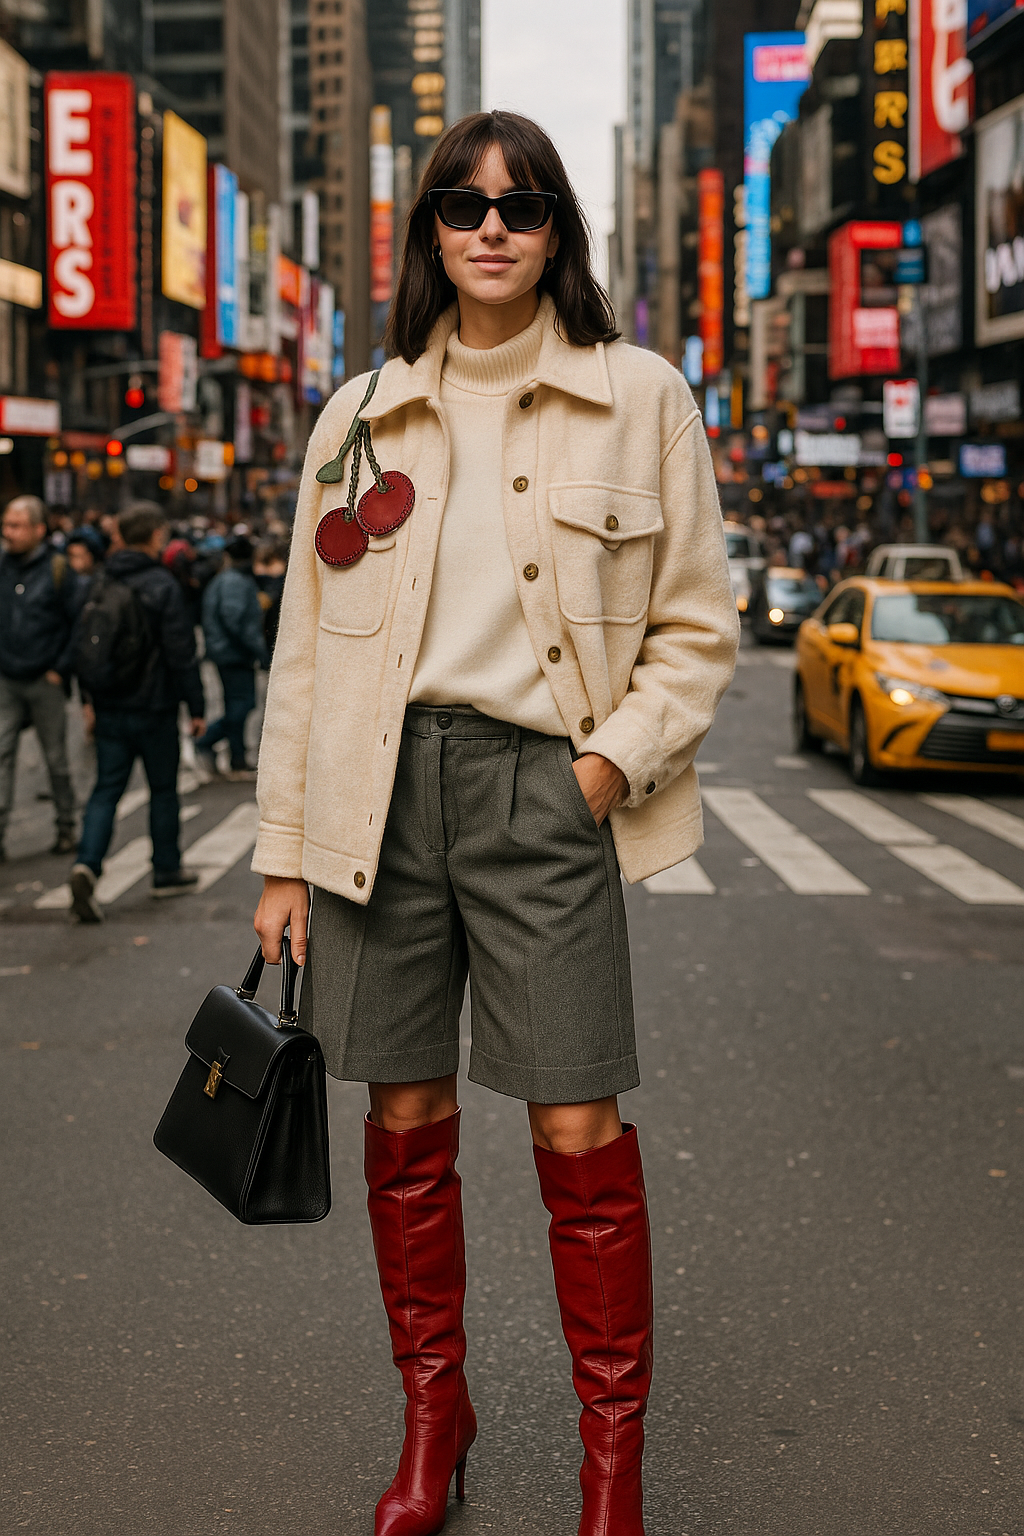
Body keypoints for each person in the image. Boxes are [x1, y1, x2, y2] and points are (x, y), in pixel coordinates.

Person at [252, 111, 738, 1536]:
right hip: (375, 798)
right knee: (403, 1118)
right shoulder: (359, 414)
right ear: (427, 230)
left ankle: (610, 1463)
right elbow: (305, 647)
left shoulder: (639, 394)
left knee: (578, 1126)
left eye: (522, 207)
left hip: (547, 789)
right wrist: (282, 850)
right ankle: (432, 1421)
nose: (491, 228)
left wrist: (604, 769)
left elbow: (698, 629)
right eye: (463, 205)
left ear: (557, 233)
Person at [69, 502, 206, 922]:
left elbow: (85, 647)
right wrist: (195, 706)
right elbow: (181, 653)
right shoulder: (162, 585)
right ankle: (165, 870)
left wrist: (89, 701)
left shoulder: (98, 581)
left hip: (110, 705)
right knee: (162, 790)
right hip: (155, 707)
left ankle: (87, 864)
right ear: (154, 537)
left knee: (106, 788)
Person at [0, 494, 84, 859]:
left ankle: (66, 827)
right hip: (6, 678)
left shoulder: (59, 570)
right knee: (2, 756)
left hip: (45, 679)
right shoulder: (1, 566)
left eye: (16, 526)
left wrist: (59, 669)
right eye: (6, 524)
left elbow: (78, 624)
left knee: (56, 759)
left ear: (38, 529)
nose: (8, 533)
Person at [195, 535, 270, 780]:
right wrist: (259, 651)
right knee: (243, 704)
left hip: (226, 651)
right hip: (233, 654)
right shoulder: (236, 582)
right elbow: (235, 620)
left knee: (236, 704)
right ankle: (207, 741)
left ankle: (237, 757)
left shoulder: (226, 579)